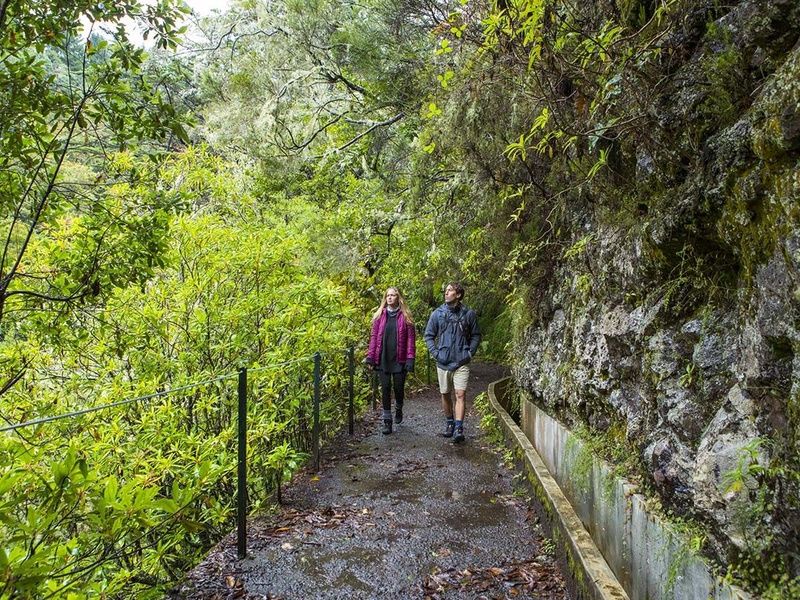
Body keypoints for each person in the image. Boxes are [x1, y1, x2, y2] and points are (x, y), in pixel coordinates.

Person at [424, 282, 481, 443]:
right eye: (446, 290)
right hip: (443, 361)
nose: (446, 292)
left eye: (450, 290)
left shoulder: (468, 314)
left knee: (460, 394)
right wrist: (436, 353)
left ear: (458, 295)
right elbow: (428, 335)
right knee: (445, 394)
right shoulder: (437, 314)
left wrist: (469, 353)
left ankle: (459, 427)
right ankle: (449, 422)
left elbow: (476, 335)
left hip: (462, 361)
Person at [366, 287, 416, 434]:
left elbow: (411, 340)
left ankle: (399, 407)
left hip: (399, 358)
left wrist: (410, 358)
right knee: (386, 388)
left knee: (399, 388)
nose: (390, 298)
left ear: (398, 297)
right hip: (383, 358)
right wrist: (370, 357)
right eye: (387, 295)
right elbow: (374, 337)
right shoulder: (379, 316)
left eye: (393, 295)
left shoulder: (406, 317)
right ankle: (387, 421)